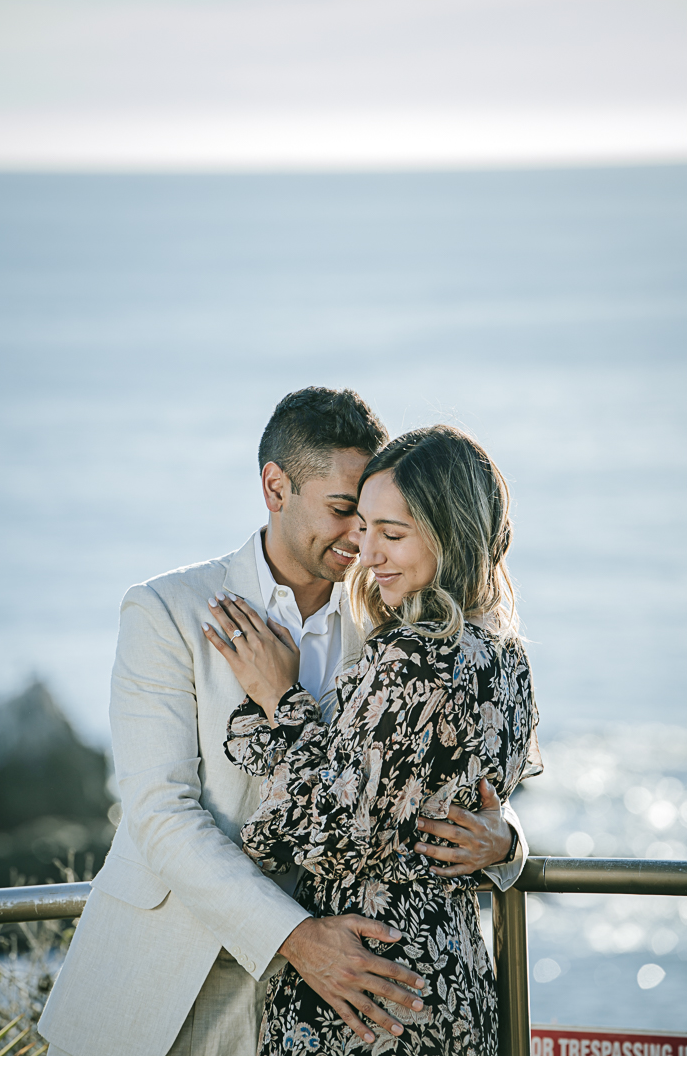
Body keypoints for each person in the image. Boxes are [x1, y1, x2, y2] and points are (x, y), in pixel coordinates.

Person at [38, 389, 528, 1057]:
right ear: (275, 487)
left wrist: (505, 842)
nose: (360, 539)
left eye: (377, 519)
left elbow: (433, 773)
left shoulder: (391, 626)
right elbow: (160, 815)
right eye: (343, 511)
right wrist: (294, 937)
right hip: (173, 981)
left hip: (335, 1002)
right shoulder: (167, 609)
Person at [203, 422, 542, 1055]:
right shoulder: (507, 658)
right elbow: (460, 794)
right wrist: (506, 839)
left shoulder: (408, 656)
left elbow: (309, 829)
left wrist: (281, 699)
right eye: (364, 528)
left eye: (393, 534)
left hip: (366, 986)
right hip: (453, 973)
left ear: (450, 535)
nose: (369, 554)